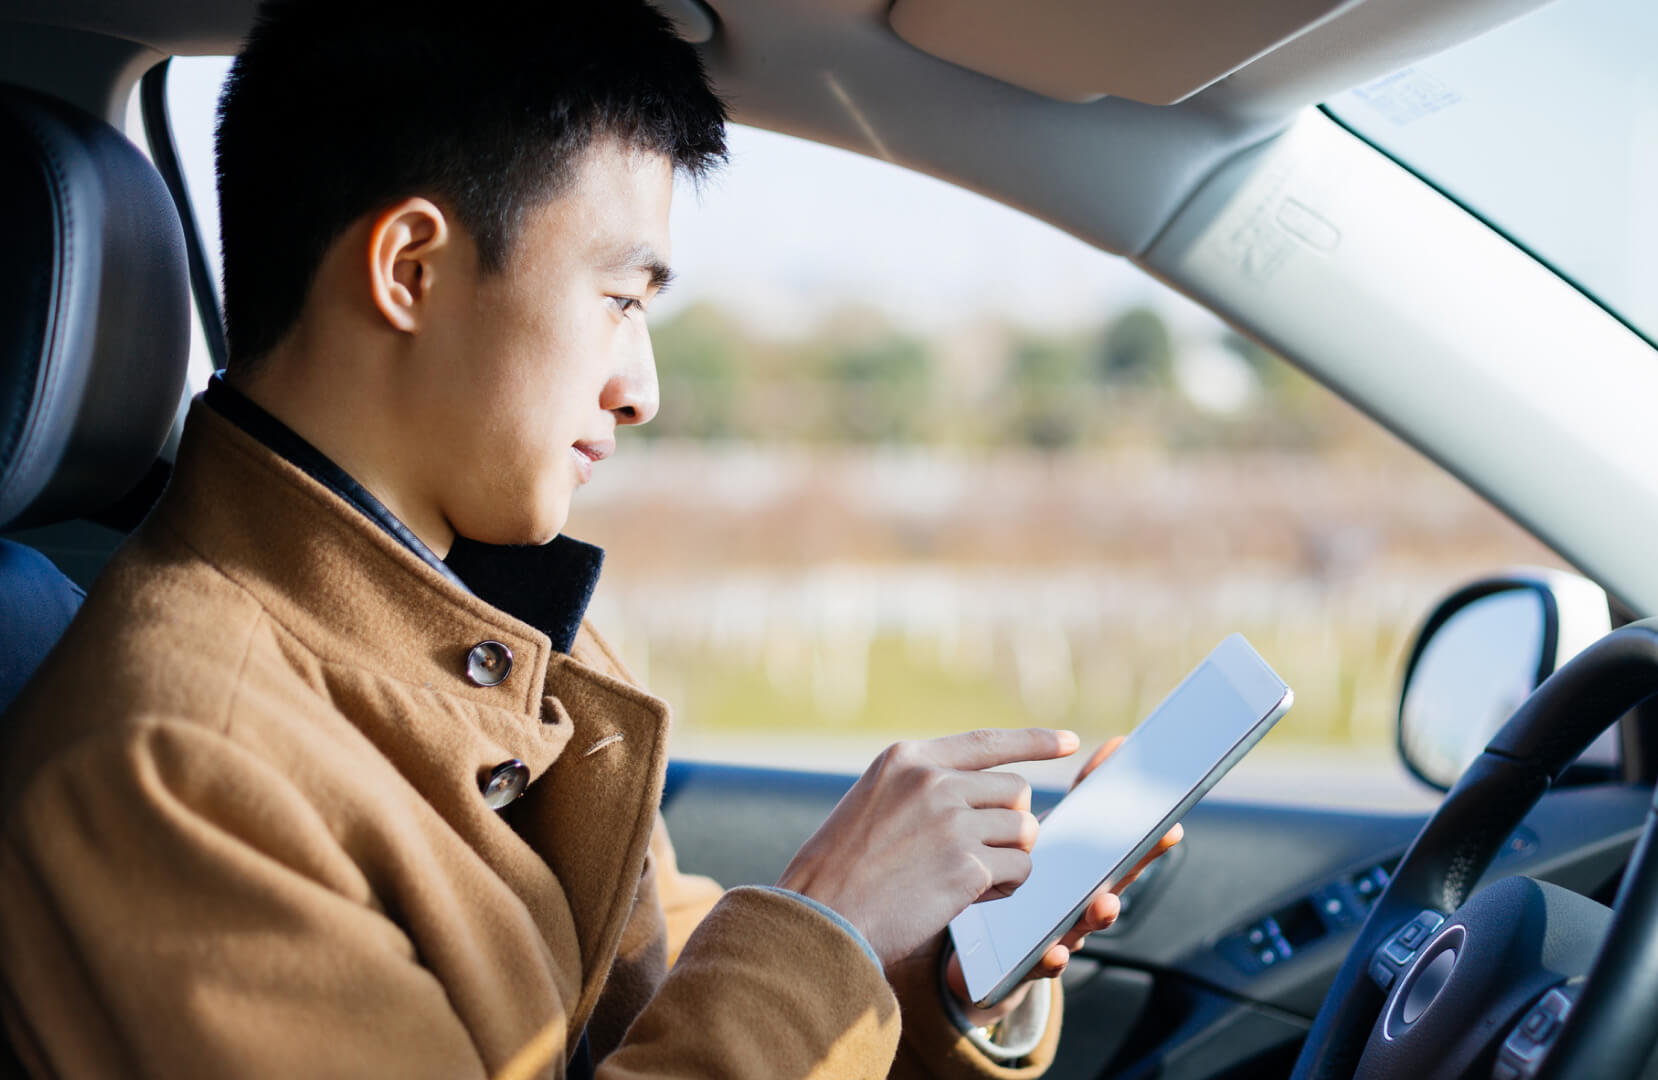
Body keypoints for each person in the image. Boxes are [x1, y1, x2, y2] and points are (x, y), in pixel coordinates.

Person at [0, 1, 1177, 1077]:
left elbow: (655, 1006)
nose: (641, 389)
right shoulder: (179, 766)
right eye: (621, 300)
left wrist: (945, 968)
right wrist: (828, 925)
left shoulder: (498, 628)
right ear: (411, 268)